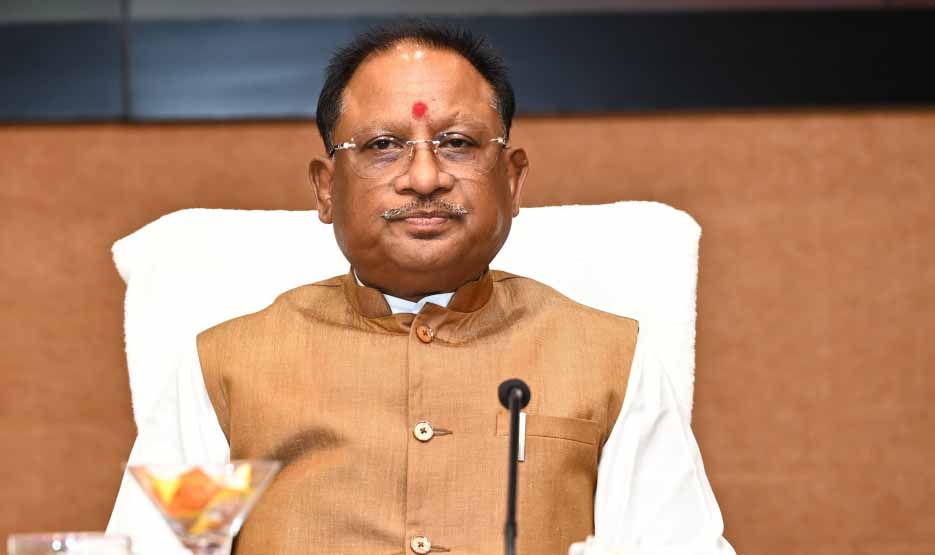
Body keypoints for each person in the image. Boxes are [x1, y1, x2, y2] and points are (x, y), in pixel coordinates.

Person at [107, 21, 735, 555]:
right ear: (326, 188)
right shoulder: (225, 370)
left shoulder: (610, 359)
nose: (426, 177)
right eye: (384, 145)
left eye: (457, 143)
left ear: (513, 179)